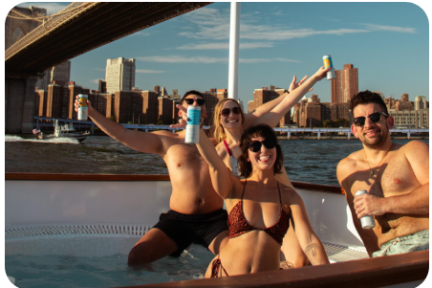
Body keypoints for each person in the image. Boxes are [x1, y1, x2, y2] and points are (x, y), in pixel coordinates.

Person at [75, 91, 230, 265]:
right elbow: (123, 135)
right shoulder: (166, 140)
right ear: (180, 111)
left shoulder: (219, 142)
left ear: (205, 112)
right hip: (179, 220)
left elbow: (254, 125)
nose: (195, 103)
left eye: (200, 102)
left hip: (213, 221)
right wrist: (91, 112)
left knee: (236, 260)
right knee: (136, 257)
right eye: (189, 101)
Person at [210, 66, 331, 268]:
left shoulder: (260, 135)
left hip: (284, 204)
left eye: (236, 110)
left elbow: (286, 104)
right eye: (226, 112)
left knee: (300, 261)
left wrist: (316, 78)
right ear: (219, 118)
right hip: (251, 213)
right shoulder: (221, 153)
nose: (232, 115)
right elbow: (223, 189)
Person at [193, 123, 329, 277]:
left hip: (265, 283)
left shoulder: (289, 197)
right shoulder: (235, 187)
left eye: (269, 143)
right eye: (255, 146)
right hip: (224, 278)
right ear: (246, 156)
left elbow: (309, 240)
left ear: (276, 150)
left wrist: (329, 276)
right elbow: (215, 164)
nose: (263, 149)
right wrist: (195, 125)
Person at [336, 90, 430, 257]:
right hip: (384, 253)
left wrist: (383, 204)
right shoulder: (346, 168)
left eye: (375, 117)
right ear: (354, 130)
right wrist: (373, 259)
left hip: (423, 242)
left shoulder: (413, 150)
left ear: (390, 121)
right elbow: (361, 222)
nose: (368, 125)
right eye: (359, 121)